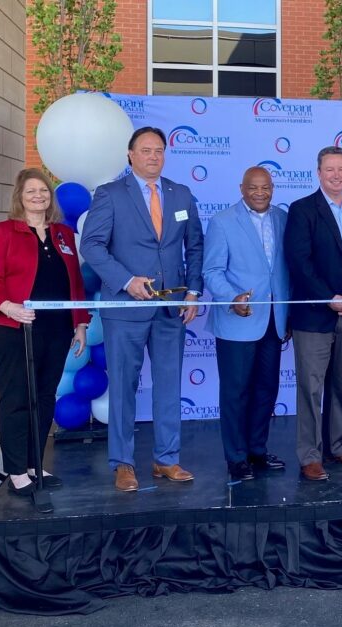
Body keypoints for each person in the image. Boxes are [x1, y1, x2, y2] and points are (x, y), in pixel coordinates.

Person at [80, 126, 204, 492]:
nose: (153, 156)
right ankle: (123, 463)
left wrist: (193, 292)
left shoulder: (180, 194)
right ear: (130, 155)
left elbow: (195, 245)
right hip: (126, 309)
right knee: (123, 387)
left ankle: (167, 460)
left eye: (159, 150)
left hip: (171, 309)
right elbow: (92, 246)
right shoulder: (110, 194)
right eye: (146, 150)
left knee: (169, 386)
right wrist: (126, 280)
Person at [0, 168, 89, 496]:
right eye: (31, 191)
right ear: (20, 196)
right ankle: (15, 471)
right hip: (12, 328)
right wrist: (7, 305)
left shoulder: (63, 235)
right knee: (16, 398)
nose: (38, 196)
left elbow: (75, 284)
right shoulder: (4, 231)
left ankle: (33, 464)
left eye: (43, 190)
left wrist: (80, 322)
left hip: (55, 330)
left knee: (43, 398)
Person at [284, 146, 342, 481]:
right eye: (330, 169)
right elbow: (299, 262)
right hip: (314, 316)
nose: (336, 175)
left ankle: (337, 446)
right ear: (318, 172)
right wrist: (328, 297)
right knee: (310, 387)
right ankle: (309, 455)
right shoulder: (302, 209)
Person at [203, 167, 289, 482]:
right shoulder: (222, 222)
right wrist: (232, 298)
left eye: (266, 187)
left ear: (272, 188)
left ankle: (257, 450)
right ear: (242, 188)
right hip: (238, 319)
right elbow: (212, 271)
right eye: (253, 187)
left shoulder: (283, 218)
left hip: (274, 321)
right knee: (236, 391)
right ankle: (236, 458)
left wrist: (288, 315)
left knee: (267, 389)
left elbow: (282, 271)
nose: (260, 193)